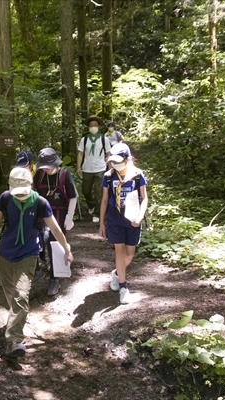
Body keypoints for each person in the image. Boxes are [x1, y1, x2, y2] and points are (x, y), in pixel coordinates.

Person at [0, 167, 73, 358]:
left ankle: (13, 341)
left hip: (28, 254)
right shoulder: (4, 199)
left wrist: (67, 249)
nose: (20, 196)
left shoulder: (41, 203)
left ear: (30, 186)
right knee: (12, 295)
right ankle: (17, 319)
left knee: (21, 294)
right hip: (5, 253)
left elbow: (55, 227)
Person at [99, 143, 148, 304]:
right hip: (114, 216)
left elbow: (144, 197)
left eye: (119, 161)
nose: (116, 164)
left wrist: (140, 215)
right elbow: (105, 199)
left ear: (127, 159)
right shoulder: (108, 176)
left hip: (132, 216)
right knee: (119, 252)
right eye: (113, 161)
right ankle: (123, 286)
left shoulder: (137, 175)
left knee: (130, 254)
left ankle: (117, 273)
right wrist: (102, 222)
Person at [33, 148, 78, 296]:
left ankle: (55, 277)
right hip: (41, 213)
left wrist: (69, 217)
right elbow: (35, 193)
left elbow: (72, 197)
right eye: (43, 167)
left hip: (59, 213)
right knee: (40, 240)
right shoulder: (39, 175)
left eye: (48, 167)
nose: (45, 169)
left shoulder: (65, 175)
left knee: (55, 243)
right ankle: (37, 268)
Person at [77, 115, 111, 224]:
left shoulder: (104, 138)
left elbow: (108, 154)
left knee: (99, 192)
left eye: (95, 125)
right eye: (91, 125)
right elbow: (80, 153)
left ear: (99, 127)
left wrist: (110, 169)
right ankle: (91, 205)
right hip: (87, 168)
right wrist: (78, 167)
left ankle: (97, 213)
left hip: (100, 168)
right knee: (85, 190)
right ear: (88, 127)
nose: (93, 127)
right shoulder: (84, 139)